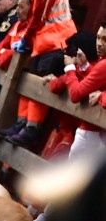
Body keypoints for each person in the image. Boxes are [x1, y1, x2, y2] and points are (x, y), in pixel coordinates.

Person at [0, 0, 77, 149]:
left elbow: (37, 19)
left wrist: (26, 39)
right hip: (45, 41)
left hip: (54, 41)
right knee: (30, 82)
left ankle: (31, 129)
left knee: (39, 85)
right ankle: (21, 124)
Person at [44, 21, 106, 157]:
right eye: (98, 37)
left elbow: (75, 94)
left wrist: (70, 69)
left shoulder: (102, 65)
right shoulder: (97, 65)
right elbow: (55, 86)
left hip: (90, 132)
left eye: (104, 39)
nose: (99, 43)